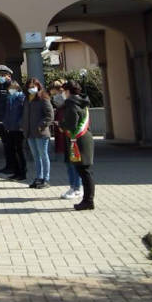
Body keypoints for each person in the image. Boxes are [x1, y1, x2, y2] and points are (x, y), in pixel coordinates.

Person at [61, 80, 95, 210]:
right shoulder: (82, 102)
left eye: (64, 91)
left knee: (84, 172)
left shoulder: (71, 103)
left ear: (68, 91)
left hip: (79, 139)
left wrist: (61, 125)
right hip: (85, 138)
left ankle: (88, 201)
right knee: (86, 171)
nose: (63, 93)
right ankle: (88, 200)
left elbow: (71, 124)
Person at [50, 80, 81, 200]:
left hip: (73, 138)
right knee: (69, 164)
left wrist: (62, 125)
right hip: (66, 138)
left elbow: (73, 122)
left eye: (63, 92)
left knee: (74, 164)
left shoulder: (73, 105)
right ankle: (73, 186)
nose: (59, 96)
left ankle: (77, 188)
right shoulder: (66, 106)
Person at [22, 78, 53, 188]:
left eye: (33, 86)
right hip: (30, 133)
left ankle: (46, 179)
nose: (32, 89)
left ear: (38, 86)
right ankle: (39, 177)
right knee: (36, 156)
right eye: (29, 87)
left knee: (43, 155)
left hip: (41, 133)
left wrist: (41, 126)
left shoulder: (43, 98)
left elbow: (50, 115)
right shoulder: (27, 99)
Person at [2, 80, 27, 180]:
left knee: (19, 151)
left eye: (12, 88)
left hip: (18, 129)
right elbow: (7, 114)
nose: (10, 90)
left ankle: (22, 173)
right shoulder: (9, 98)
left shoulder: (21, 98)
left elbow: (24, 114)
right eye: (9, 89)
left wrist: (20, 124)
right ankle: (16, 172)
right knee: (12, 150)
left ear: (17, 88)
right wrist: (6, 124)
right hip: (10, 128)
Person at [0, 64, 13, 172]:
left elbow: (17, 103)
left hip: (8, 121)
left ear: (9, 75)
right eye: (0, 74)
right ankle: (8, 166)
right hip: (1, 121)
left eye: (3, 75)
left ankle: (13, 167)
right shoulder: (0, 86)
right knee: (5, 144)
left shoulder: (13, 86)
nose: (1, 76)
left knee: (10, 145)